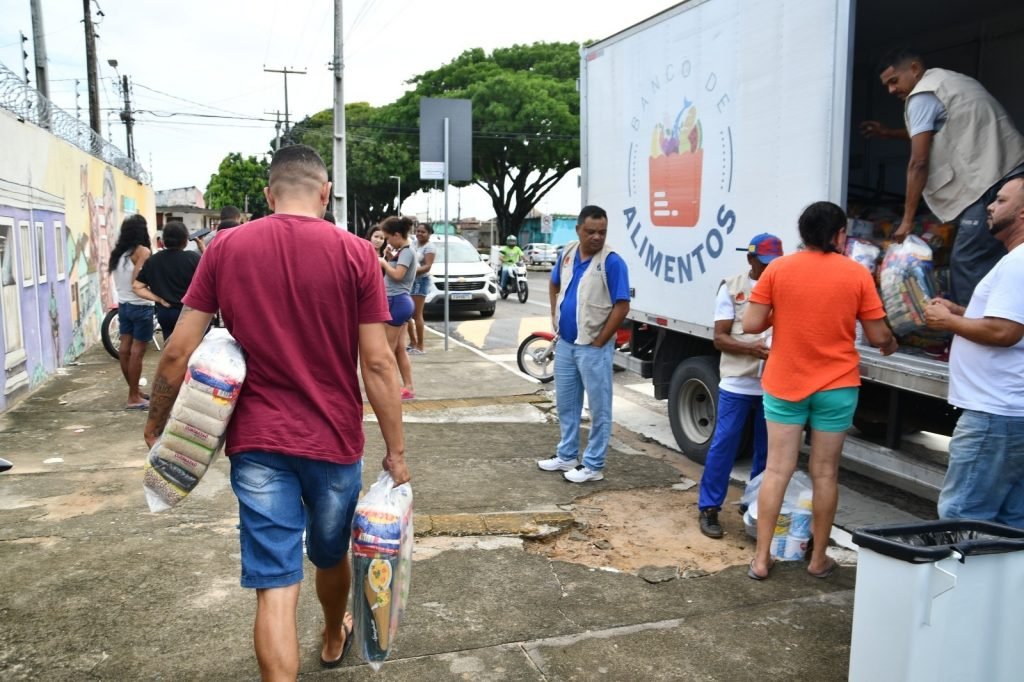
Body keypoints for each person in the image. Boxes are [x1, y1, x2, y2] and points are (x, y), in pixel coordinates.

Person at [142, 144, 409, 679]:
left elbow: (177, 350)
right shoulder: (356, 252)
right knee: (330, 555)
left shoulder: (225, 248)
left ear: (268, 194)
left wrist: (157, 427)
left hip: (258, 445)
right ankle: (335, 632)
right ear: (325, 192)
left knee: (274, 584)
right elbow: (378, 363)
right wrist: (396, 452)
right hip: (333, 440)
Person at [742, 202, 898, 580]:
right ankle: (818, 559)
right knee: (825, 473)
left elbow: (750, 324)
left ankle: (762, 560)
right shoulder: (857, 274)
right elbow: (878, 336)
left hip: (785, 383)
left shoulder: (778, 269)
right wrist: (891, 341)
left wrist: (785, 313)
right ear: (840, 235)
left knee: (777, 469)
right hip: (837, 386)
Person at [860, 47, 1024, 306]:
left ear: (914, 69)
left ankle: (974, 334)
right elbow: (936, 128)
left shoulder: (921, 96)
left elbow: (919, 162)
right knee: (1004, 255)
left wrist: (907, 220)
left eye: (894, 81)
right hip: (1014, 173)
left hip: (991, 183)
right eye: (886, 86)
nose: (891, 90)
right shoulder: (951, 81)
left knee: (968, 260)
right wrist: (890, 134)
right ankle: (1006, 324)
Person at [924, 177, 1024, 527]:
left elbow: (1005, 331)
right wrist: (959, 312)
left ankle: (965, 584)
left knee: (963, 518)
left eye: (1000, 200)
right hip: (1010, 413)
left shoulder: (1017, 264)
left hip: (994, 416)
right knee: (1012, 522)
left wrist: (946, 322)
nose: (990, 207)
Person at [697, 233, 782, 539]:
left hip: (773, 385)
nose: (770, 269)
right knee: (725, 445)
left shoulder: (784, 287)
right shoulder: (732, 288)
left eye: (775, 263)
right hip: (737, 382)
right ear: (750, 259)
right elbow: (719, 338)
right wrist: (752, 349)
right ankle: (709, 508)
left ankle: (754, 508)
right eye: (764, 263)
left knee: (768, 451)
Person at [537, 205, 630, 483]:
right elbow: (554, 285)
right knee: (567, 404)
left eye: (602, 232)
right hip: (566, 344)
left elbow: (622, 306)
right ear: (578, 230)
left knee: (599, 409)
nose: (597, 237)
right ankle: (566, 455)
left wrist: (601, 340)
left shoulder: (612, 262)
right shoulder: (567, 254)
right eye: (590, 231)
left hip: (593, 347)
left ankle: (593, 465)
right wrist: (555, 316)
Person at [109, 214, 155, 410]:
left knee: (125, 350)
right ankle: (133, 397)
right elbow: (137, 280)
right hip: (140, 306)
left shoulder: (118, 253)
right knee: (137, 352)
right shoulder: (142, 251)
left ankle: (134, 391)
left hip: (124, 306)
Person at [132, 221, 201, 339]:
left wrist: (159, 299)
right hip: (189, 312)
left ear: (163, 240)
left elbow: (136, 286)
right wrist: (202, 247)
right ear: (185, 240)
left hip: (165, 312)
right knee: (190, 350)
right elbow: (211, 274)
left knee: (169, 348)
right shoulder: (193, 258)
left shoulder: (153, 260)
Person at [379, 216, 417, 401]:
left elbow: (398, 275)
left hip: (396, 301)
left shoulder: (407, 252)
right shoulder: (403, 251)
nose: (387, 241)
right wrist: (388, 257)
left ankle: (391, 388)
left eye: (388, 237)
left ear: (396, 235)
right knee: (399, 349)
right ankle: (408, 387)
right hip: (400, 301)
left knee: (387, 349)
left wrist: (383, 262)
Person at [408, 223, 436, 354]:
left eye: (423, 232)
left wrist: (411, 271)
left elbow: (427, 266)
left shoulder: (429, 247)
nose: (419, 233)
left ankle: (420, 346)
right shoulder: (413, 243)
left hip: (420, 281)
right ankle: (412, 342)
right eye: (418, 231)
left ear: (429, 233)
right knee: (407, 314)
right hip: (409, 281)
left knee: (416, 314)